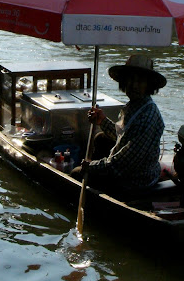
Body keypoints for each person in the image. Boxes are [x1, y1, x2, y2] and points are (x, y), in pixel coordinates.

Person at [71, 54, 166, 192]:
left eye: (140, 81)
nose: (134, 85)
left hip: (136, 180)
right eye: (130, 80)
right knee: (100, 139)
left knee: (76, 173)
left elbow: (123, 165)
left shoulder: (147, 115)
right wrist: (102, 121)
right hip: (131, 166)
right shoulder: (135, 105)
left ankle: (97, 193)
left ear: (148, 85)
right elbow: (125, 136)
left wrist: (91, 166)